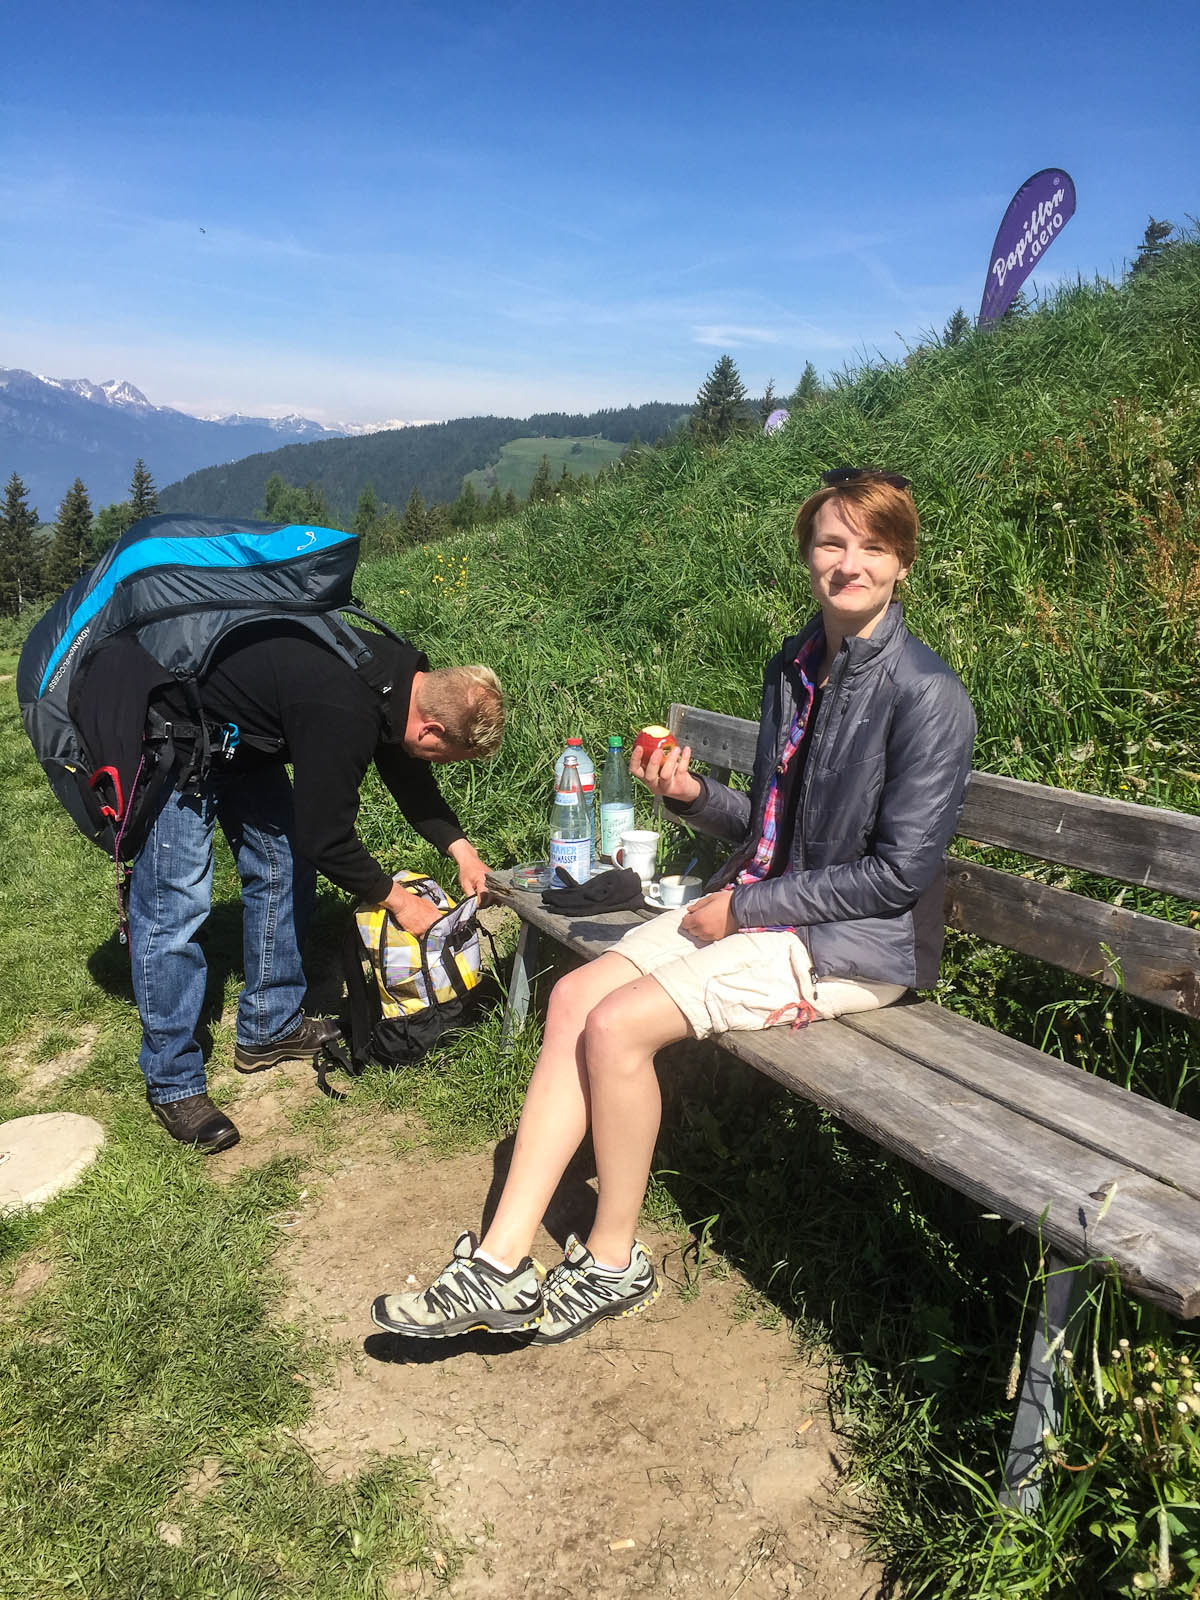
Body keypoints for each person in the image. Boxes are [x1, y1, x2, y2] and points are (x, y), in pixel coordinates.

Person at [371, 470, 975, 1345]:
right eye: (832, 543)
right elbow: (776, 824)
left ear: (902, 564)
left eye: (873, 547)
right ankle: (501, 1262)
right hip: (766, 906)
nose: (850, 564)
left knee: (616, 1027)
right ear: (808, 555)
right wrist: (692, 796)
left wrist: (747, 908)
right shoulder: (797, 666)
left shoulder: (927, 695)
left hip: (854, 945)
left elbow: (897, 876)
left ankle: (614, 1260)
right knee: (573, 999)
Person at [131, 620, 505, 1153]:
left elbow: (409, 777)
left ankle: (268, 1026)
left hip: (244, 737)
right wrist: (401, 903)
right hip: (177, 730)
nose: (438, 765)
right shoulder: (344, 709)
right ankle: (174, 1083)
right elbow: (327, 839)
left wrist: (463, 851)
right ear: (431, 730)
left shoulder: (402, 682)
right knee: (176, 906)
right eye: (445, 757)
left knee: (283, 867)